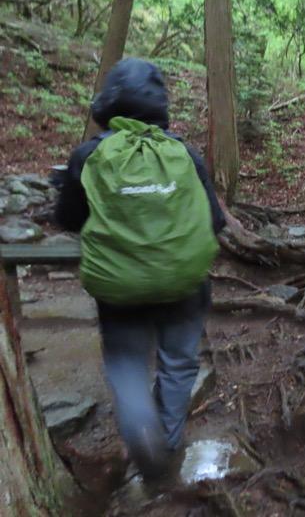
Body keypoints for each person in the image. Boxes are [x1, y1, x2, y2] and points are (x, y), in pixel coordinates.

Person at [54, 58, 226, 484]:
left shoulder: (88, 155)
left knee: (127, 363)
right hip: (184, 285)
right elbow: (215, 221)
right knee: (178, 363)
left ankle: (141, 438)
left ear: (108, 102)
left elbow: (69, 220)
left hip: (119, 288)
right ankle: (164, 446)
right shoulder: (183, 152)